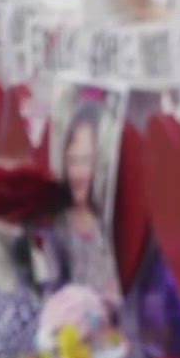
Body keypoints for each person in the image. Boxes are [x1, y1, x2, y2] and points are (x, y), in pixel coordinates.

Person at [55, 100, 120, 301]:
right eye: (72, 160)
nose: (77, 172)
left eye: (86, 161)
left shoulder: (115, 223)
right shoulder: (56, 226)